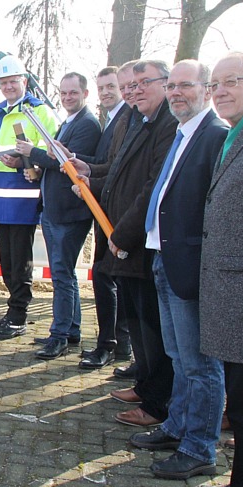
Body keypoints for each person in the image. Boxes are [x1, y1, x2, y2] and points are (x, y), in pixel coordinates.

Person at [126, 60, 228, 480]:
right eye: (171, 86)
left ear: (206, 89)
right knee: (178, 355)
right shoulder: (184, 133)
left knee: (200, 363)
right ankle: (177, 425)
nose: (176, 93)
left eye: (185, 85)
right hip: (163, 258)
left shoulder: (215, 136)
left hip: (188, 264)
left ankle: (200, 447)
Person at [183, 52, 243, 487]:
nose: (220, 90)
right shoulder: (241, 132)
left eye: (232, 81)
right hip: (238, 294)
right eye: (215, 83)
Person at [73, 60, 177, 427]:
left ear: (165, 84)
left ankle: (156, 402)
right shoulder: (139, 121)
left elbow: (152, 188)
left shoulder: (167, 125)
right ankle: (145, 384)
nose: (134, 91)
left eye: (141, 84)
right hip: (124, 239)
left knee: (152, 325)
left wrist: (121, 234)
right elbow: (116, 171)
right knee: (137, 319)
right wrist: (89, 172)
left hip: (140, 241)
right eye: (129, 85)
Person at [16, 72, 100, 358]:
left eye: (72, 93)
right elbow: (54, 162)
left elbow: (67, 163)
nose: (67, 98)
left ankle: (60, 334)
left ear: (85, 94)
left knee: (62, 275)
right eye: (63, 93)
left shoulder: (88, 125)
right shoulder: (69, 122)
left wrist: (33, 152)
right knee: (64, 274)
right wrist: (36, 168)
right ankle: (71, 329)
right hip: (54, 210)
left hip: (69, 213)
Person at [0, 55, 57, 338]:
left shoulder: (39, 112)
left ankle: (18, 315)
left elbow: (53, 151)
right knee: (8, 261)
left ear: (24, 82)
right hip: (0, 197)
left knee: (20, 260)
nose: (8, 87)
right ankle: (11, 311)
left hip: (24, 195)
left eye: (13, 81)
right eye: (3, 82)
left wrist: (32, 166)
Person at [80, 61, 137, 372]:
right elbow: (110, 166)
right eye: (103, 89)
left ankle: (115, 344)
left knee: (111, 279)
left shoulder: (127, 120)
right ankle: (115, 343)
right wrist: (86, 169)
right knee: (104, 277)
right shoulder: (116, 121)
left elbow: (121, 174)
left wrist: (90, 178)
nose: (109, 93)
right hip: (107, 212)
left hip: (120, 217)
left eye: (114, 87)